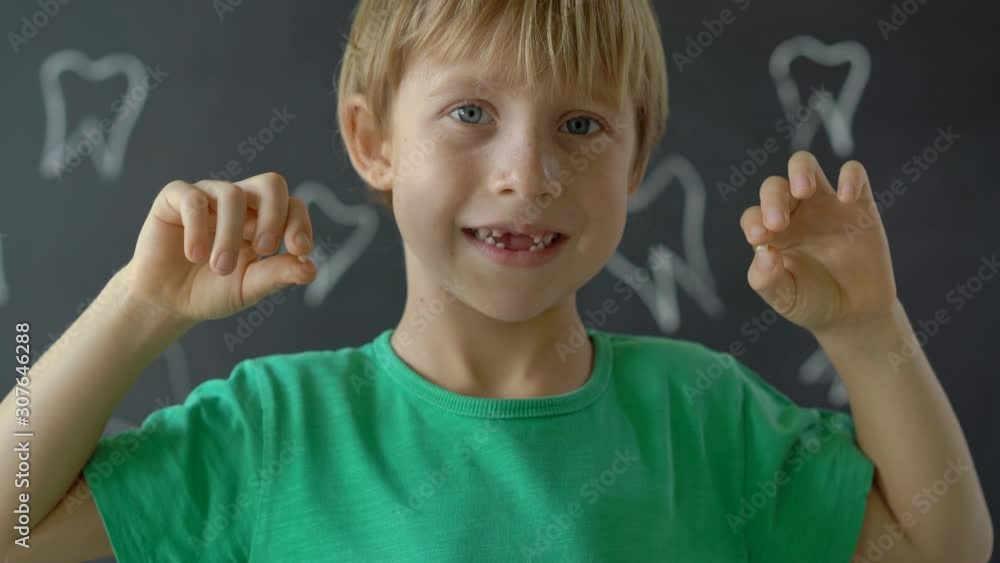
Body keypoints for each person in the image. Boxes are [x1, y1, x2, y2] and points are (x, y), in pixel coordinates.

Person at [2, 1, 992, 562]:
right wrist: (140, 307)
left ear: (637, 160)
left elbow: (942, 552)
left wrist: (870, 332)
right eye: (471, 112)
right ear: (370, 140)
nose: (529, 172)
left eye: (580, 125)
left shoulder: (706, 415)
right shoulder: (271, 430)